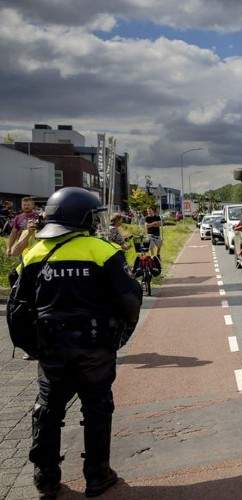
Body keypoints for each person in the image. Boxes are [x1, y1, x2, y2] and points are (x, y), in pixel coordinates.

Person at [6, 187, 142, 498]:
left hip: (51, 350)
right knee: (97, 407)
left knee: (48, 410)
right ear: (85, 218)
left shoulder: (34, 254)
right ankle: (97, 475)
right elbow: (130, 300)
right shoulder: (102, 251)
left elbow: (16, 308)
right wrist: (117, 336)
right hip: (95, 348)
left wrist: (33, 346)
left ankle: (46, 479)